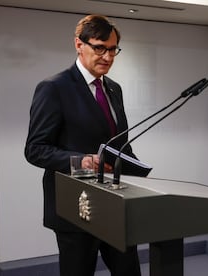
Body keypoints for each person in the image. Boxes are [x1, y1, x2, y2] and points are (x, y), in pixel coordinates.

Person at [25, 15, 142, 276]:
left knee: (129, 271)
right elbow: (35, 148)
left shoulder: (114, 89)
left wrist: (138, 170)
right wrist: (82, 160)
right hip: (76, 205)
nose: (108, 57)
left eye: (113, 50)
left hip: (115, 202)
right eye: (100, 48)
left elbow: (119, 144)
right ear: (79, 44)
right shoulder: (54, 88)